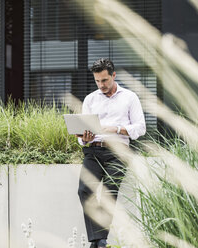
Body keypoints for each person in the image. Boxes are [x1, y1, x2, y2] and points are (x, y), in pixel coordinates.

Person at [76, 58, 146, 248]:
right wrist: (85, 138)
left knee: (109, 192)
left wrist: (115, 129)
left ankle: (97, 242)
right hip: (93, 151)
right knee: (84, 190)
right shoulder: (90, 99)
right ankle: (100, 240)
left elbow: (140, 128)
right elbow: (81, 134)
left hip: (118, 152)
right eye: (97, 81)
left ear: (113, 75)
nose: (101, 85)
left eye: (105, 80)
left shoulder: (130, 97)